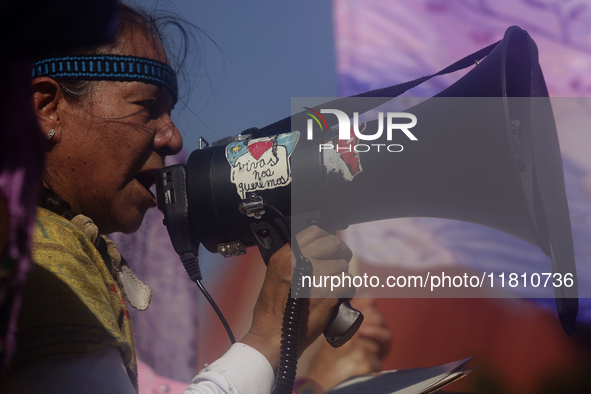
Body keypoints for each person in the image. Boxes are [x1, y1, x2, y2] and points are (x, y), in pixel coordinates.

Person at [0, 4, 354, 393]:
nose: (173, 139)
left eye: (169, 112)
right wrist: (269, 338)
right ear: (47, 108)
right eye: (147, 108)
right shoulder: (46, 252)